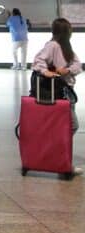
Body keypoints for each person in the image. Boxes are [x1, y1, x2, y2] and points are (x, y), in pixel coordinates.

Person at [32, 17, 82, 174]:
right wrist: (45, 71)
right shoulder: (52, 45)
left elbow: (77, 64)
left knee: (68, 126)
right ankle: (60, 158)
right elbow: (38, 60)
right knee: (72, 125)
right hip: (59, 92)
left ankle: (61, 160)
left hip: (67, 91)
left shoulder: (66, 47)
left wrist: (68, 70)